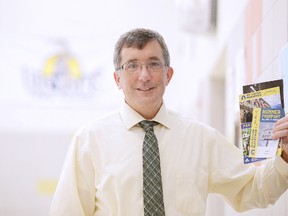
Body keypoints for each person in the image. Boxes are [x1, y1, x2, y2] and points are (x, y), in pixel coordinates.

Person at [49, 28, 288, 216]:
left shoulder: (201, 138)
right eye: (132, 65)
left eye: (153, 63)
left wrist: (285, 156)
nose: (144, 75)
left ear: (168, 74)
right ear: (117, 78)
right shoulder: (89, 140)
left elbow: (254, 191)